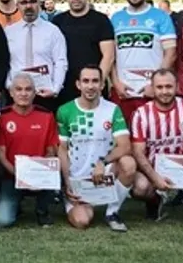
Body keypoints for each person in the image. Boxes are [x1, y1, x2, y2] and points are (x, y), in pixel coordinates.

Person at [128, 69, 183, 233]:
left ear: (177, 86)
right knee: (140, 187)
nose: (164, 92)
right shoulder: (141, 113)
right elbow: (138, 152)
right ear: (152, 88)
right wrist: (155, 178)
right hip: (153, 167)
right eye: (160, 87)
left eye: (169, 87)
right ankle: (155, 201)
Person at [57, 66, 136, 232]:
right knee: (82, 221)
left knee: (128, 163)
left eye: (95, 81)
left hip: (105, 172)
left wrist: (102, 162)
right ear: (78, 84)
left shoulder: (112, 109)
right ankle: (81, 201)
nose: (90, 86)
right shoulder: (65, 110)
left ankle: (112, 212)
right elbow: (62, 149)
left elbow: (125, 146)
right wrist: (67, 182)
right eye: (86, 81)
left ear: (102, 85)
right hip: (78, 180)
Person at [0, 73, 58, 229]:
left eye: (28, 89)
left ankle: (42, 209)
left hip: (39, 175)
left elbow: (51, 151)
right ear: (11, 93)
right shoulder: (2, 117)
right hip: (12, 177)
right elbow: (1, 155)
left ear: (34, 93)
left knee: (56, 169)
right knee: (2, 220)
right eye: (19, 89)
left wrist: (39, 174)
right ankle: (16, 205)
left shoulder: (46, 116)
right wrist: (22, 177)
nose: (24, 93)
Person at [109, 0, 177, 124]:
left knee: (153, 134)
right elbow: (110, 56)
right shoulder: (115, 18)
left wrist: (155, 84)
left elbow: (171, 53)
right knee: (123, 136)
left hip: (151, 92)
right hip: (123, 91)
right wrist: (116, 83)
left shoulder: (161, 17)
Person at [51, 0, 116, 109]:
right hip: (65, 88)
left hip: (93, 90)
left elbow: (108, 56)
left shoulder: (101, 20)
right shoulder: (57, 22)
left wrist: (96, 83)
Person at [3, 0, 68, 113]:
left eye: (33, 1)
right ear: (17, 5)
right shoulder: (8, 32)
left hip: (44, 95)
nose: (28, 6)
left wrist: (55, 89)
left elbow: (60, 61)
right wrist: (9, 85)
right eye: (23, 2)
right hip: (16, 95)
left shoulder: (53, 31)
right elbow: (4, 62)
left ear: (39, 4)